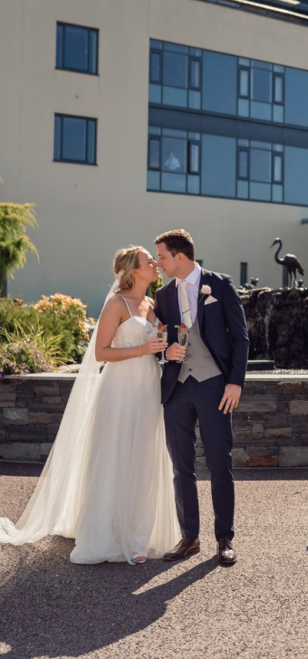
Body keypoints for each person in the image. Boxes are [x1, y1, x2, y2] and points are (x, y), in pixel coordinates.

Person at [0, 247, 179, 565]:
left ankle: (139, 536)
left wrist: (164, 348)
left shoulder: (153, 303)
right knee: (114, 454)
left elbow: (155, 347)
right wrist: (143, 348)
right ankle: (106, 532)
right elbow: (101, 353)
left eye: (155, 260)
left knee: (143, 457)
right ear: (134, 271)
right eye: (148, 262)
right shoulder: (117, 303)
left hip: (148, 387)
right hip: (120, 387)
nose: (155, 264)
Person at [153, 229, 249, 566]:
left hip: (214, 386)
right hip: (177, 388)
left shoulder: (219, 285)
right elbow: (160, 342)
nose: (158, 263)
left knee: (219, 463)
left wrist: (234, 383)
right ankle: (189, 537)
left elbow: (240, 338)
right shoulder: (163, 295)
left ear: (180, 256)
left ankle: (224, 539)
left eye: (162, 257)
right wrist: (168, 349)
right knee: (182, 467)